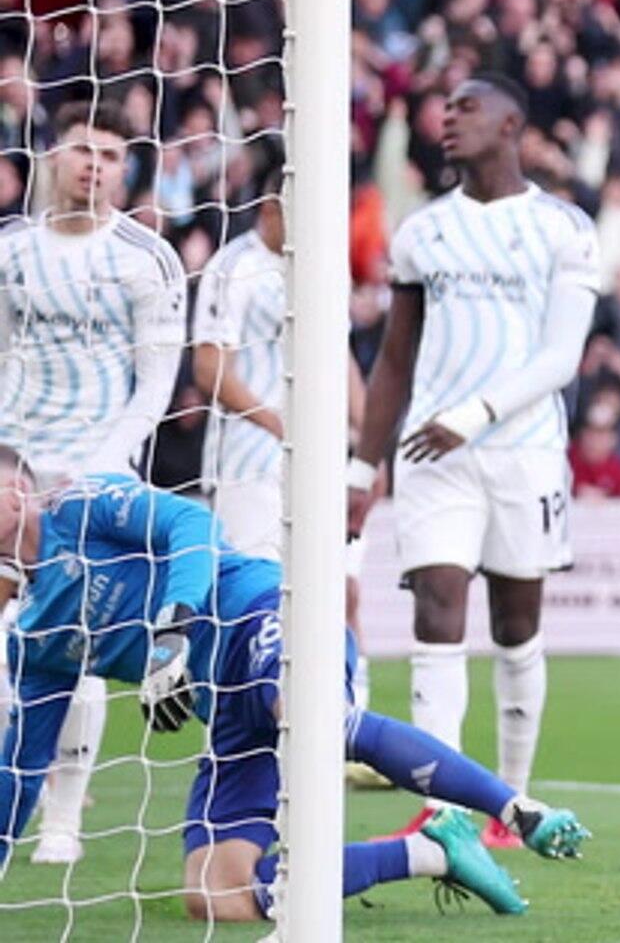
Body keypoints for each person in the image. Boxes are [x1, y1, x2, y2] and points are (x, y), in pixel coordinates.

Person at [0, 450, 590, 918]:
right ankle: (433, 852)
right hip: (228, 707)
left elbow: (193, 524)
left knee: (308, 715)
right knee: (215, 896)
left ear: (17, 489)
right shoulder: (31, 637)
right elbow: (21, 767)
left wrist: (171, 629)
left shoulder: (80, 504)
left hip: (264, 611)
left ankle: (517, 809)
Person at [347, 73, 601, 848]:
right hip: (433, 454)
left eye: (467, 107)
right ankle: (446, 809)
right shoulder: (423, 231)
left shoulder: (564, 228)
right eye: (445, 108)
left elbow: (562, 357)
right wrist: (362, 468)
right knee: (436, 610)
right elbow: (394, 359)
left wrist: (476, 415)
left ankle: (512, 804)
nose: (448, 119)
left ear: (512, 124)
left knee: (516, 626)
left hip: (524, 453)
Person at [0, 100, 186, 864]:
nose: (95, 166)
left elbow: (157, 382)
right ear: (53, 156)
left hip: (95, 475)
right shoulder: (11, 248)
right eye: (83, 150)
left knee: (74, 641)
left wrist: (102, 465)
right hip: (11, 470)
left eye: (111, 157)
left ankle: (64, 819)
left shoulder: (146, 257)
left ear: (125, 170)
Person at [191, 182, 386, 780]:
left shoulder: (323, 265)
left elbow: (343, 359)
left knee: (341, 589)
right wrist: (278, 423)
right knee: (257, 599)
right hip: (247, 463)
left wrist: (369, 447)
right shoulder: (233, 266)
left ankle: (349, 729)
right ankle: (242, 739)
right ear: (272, 208)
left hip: (324, 462)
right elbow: (208, 365)